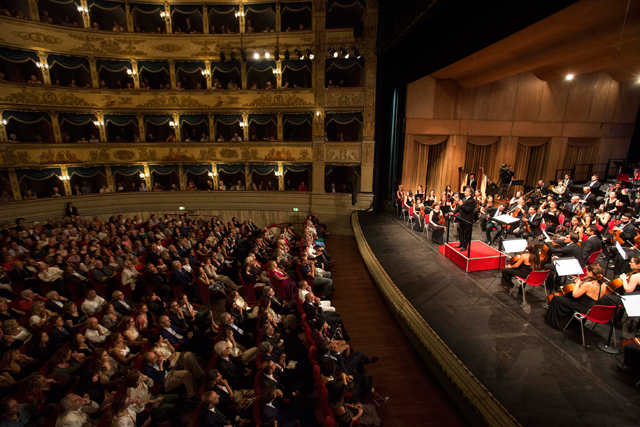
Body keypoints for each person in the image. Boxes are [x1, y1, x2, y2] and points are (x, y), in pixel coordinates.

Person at [545, 265, 606, 330]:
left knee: (556, 298)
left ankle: (557, 323)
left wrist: (578, 283)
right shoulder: (603, 284)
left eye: (587, 271)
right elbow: (598, 297)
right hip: (591, 308)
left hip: (582, 307)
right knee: (568, 299)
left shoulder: (588, 284)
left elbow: (575, 295)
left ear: (591, 273)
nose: (586, 273)